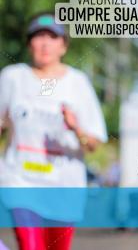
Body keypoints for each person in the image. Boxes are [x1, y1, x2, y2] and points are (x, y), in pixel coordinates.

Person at [0, 13, 107, 250]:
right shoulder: (12, 78)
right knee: (31, 246)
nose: (45, 43)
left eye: (52, 37)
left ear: (63, 46)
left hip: (63, 184)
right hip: (20, 180)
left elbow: (94, 143)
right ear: (29, 44)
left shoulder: (78, 83)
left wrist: (76, 128)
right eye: (38, 37)